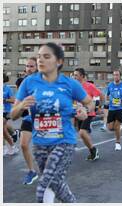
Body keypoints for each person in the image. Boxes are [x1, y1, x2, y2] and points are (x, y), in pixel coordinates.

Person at [11, 42, 94, 203]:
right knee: (55, 184)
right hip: (40, 144)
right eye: (39, 57)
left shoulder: (69, 84)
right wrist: (21, 105)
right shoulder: (29, 83)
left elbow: (90, 102)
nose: (41, 60)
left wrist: (84, 110)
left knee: (44, 186)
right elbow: (13, 115)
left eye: (46, 56)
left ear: (59, 61)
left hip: (64, 141)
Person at [16, 57, 39, 184]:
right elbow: (18, 101)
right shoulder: (23, 82)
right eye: (27, 66)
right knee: (24, 144)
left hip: (43, 119)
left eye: (32, 66)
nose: (29, 69)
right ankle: (32, 171)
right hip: (28, 118)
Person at [73, 68, 102, 161]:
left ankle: (94, 150)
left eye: (76, 75)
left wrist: (99, 107)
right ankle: (92, 152)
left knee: (82, 132)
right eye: (74, 75)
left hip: (89, 113)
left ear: (82, 76)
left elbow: (101, 95)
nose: (74, 77)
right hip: (78, 113)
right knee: (80, 133)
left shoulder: (89, 86)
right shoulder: (75, 86)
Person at [106, 70, 122, 151]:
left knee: (116, 126)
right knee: (110, 128)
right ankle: (118, 127)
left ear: (120, 76)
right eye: (114, 75)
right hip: (111, 108)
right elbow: (107, 95)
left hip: (120, 108)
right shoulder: (110, 85)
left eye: (117, 75)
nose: (115, 76)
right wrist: (107, 99)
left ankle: (118, 143)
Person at [3, 73, 19, 156]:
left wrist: (4, 100)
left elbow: (13, 100)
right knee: (4, 127)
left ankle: (10, 147)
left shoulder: (7, 88)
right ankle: (13, 133)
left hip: (6, 111)